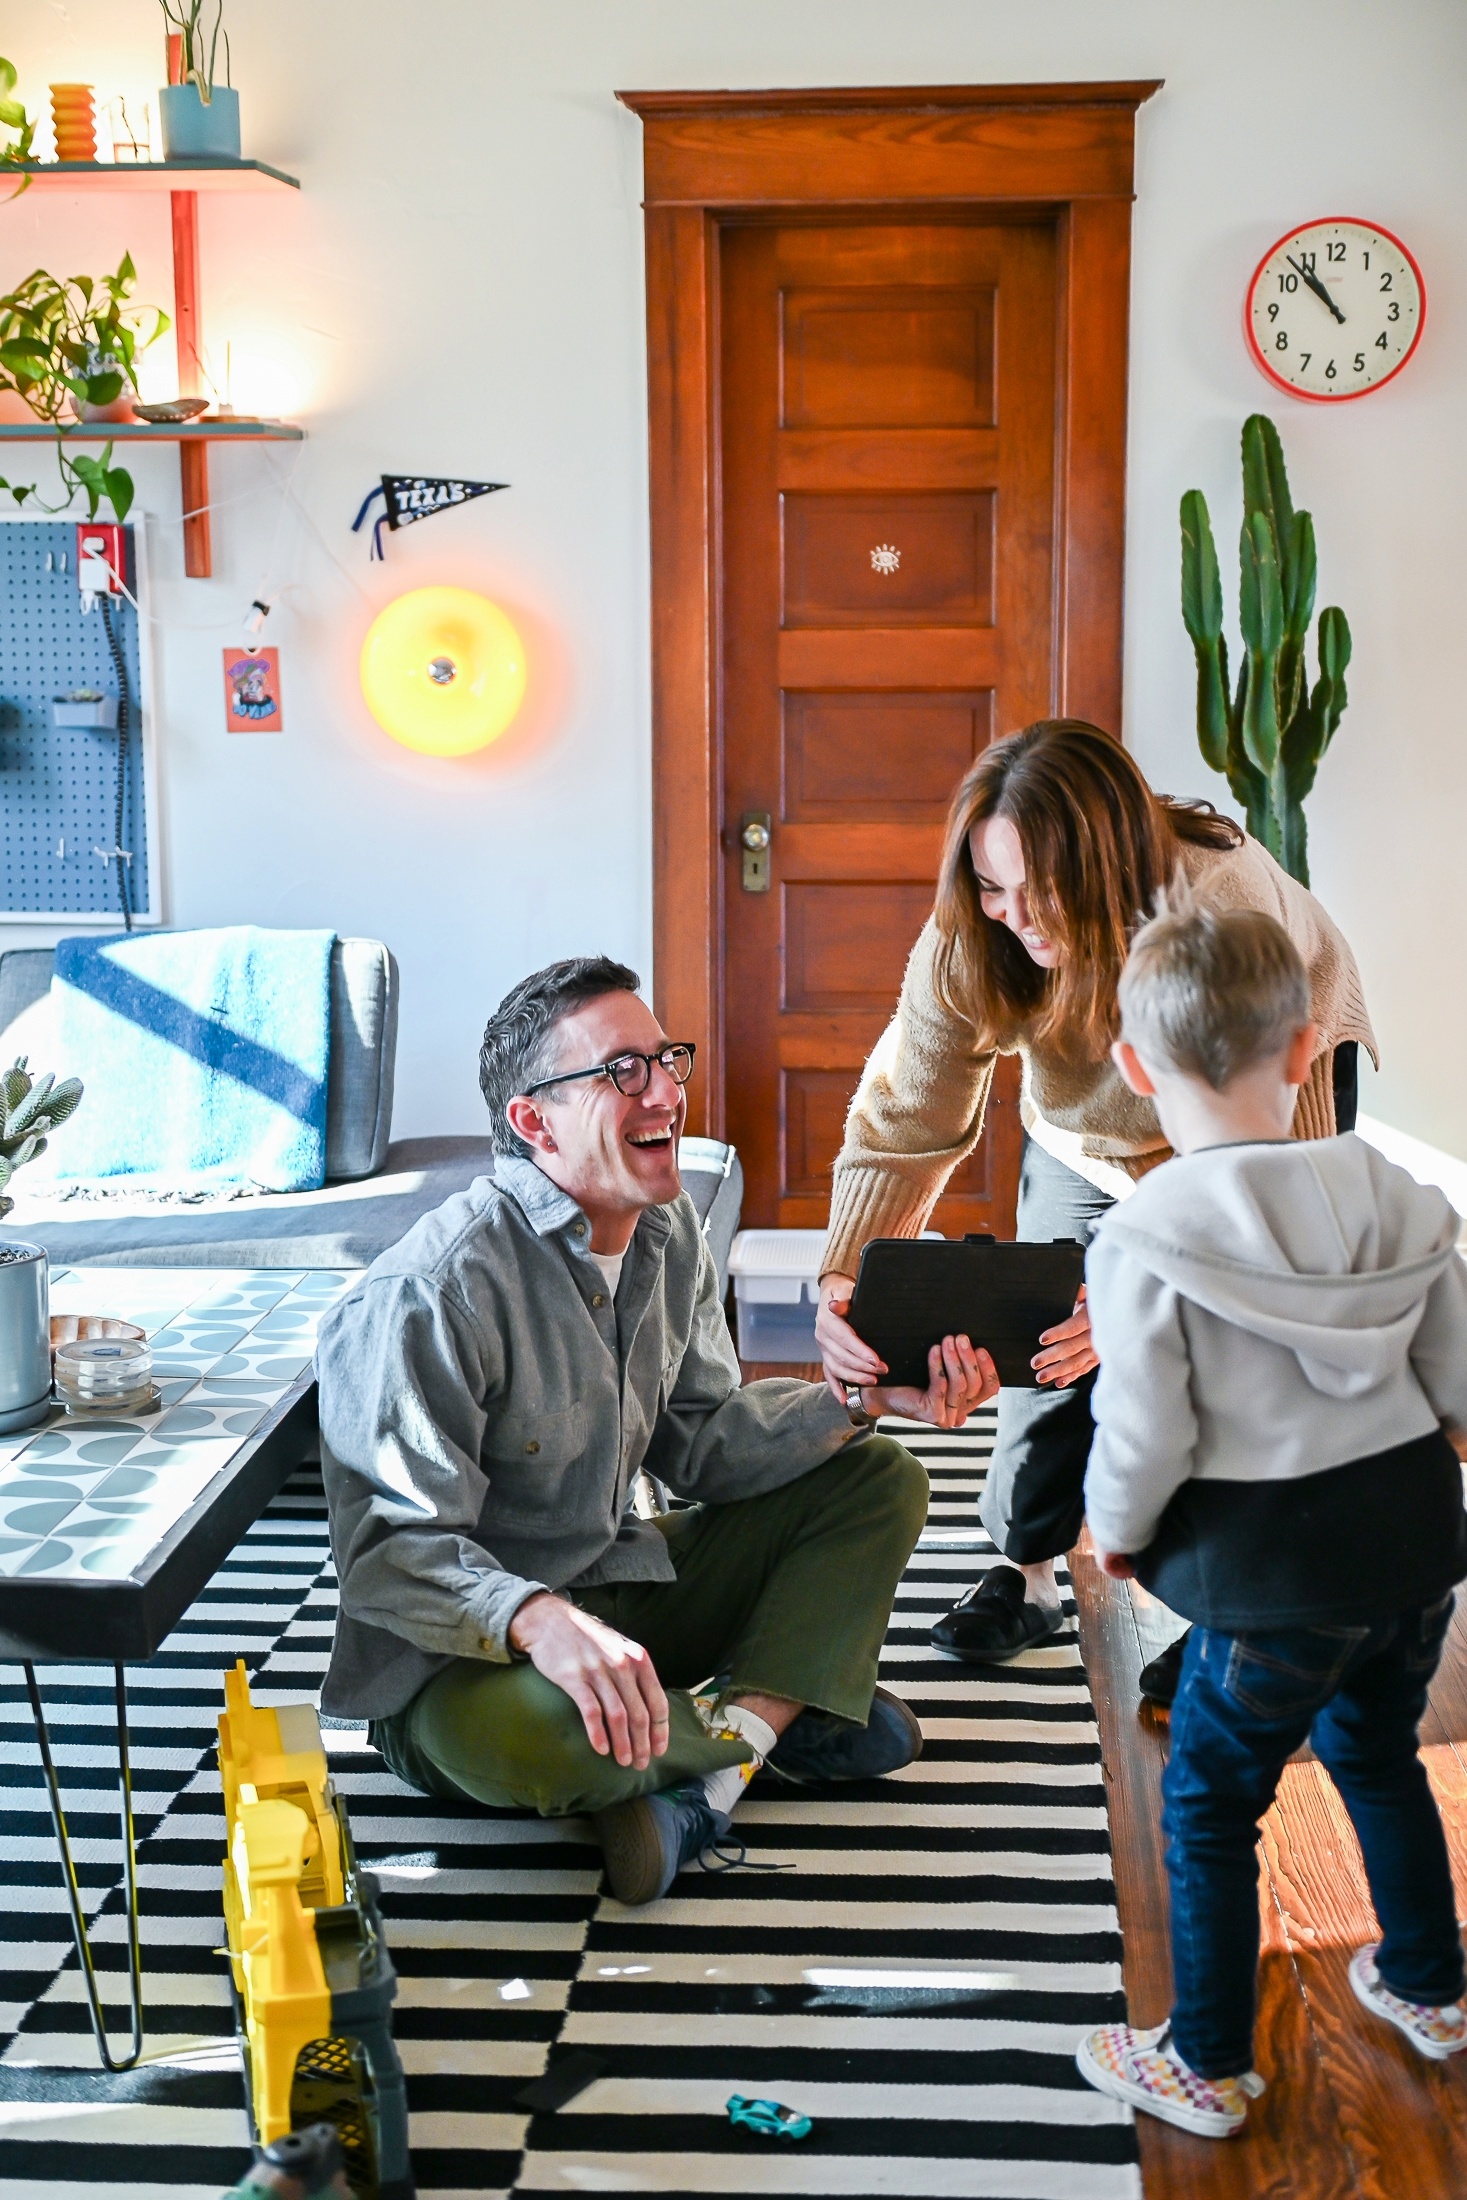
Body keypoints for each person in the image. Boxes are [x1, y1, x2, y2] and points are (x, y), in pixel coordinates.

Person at [316, 956, 998, 1907]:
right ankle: (783, 1710)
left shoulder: (667, 1228)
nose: (669, 1090)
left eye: (665, 1059)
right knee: (549, 1736)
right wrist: (532, 1617)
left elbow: (703, 1440)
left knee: (875, 1475)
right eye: (623, 1070)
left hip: (612, 1589)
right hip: (454, 1669)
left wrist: (866, 1400)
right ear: (533, 1122)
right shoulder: (427, 1296)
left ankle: (715, 1767)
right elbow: (389, 1556)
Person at [815, 721, 1376, 1689]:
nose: (1016, 916)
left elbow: (1256, 1190)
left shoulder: (1223, 917)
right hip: (1088, 1121)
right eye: (995, 887)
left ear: (1110, 861)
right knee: (1049, 1327)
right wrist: (843, 1276)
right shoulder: (974, 930)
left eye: (1043, 890)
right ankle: (1027, 1572)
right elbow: (907, 1107)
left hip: (1256, 1121)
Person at [1074, 893, 1467, 2138]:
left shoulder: (1144, 1233)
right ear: (1307, 1049)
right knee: (1378, 1752)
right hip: (1413, 1552)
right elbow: (1459, 1384)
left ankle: (1205, 2061)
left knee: (1209, 1798)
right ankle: (1432, 1987)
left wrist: (1114, 1530)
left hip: (1270, 1581)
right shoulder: (1402, 1194)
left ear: (1135, 1068)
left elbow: (1146, 1429)